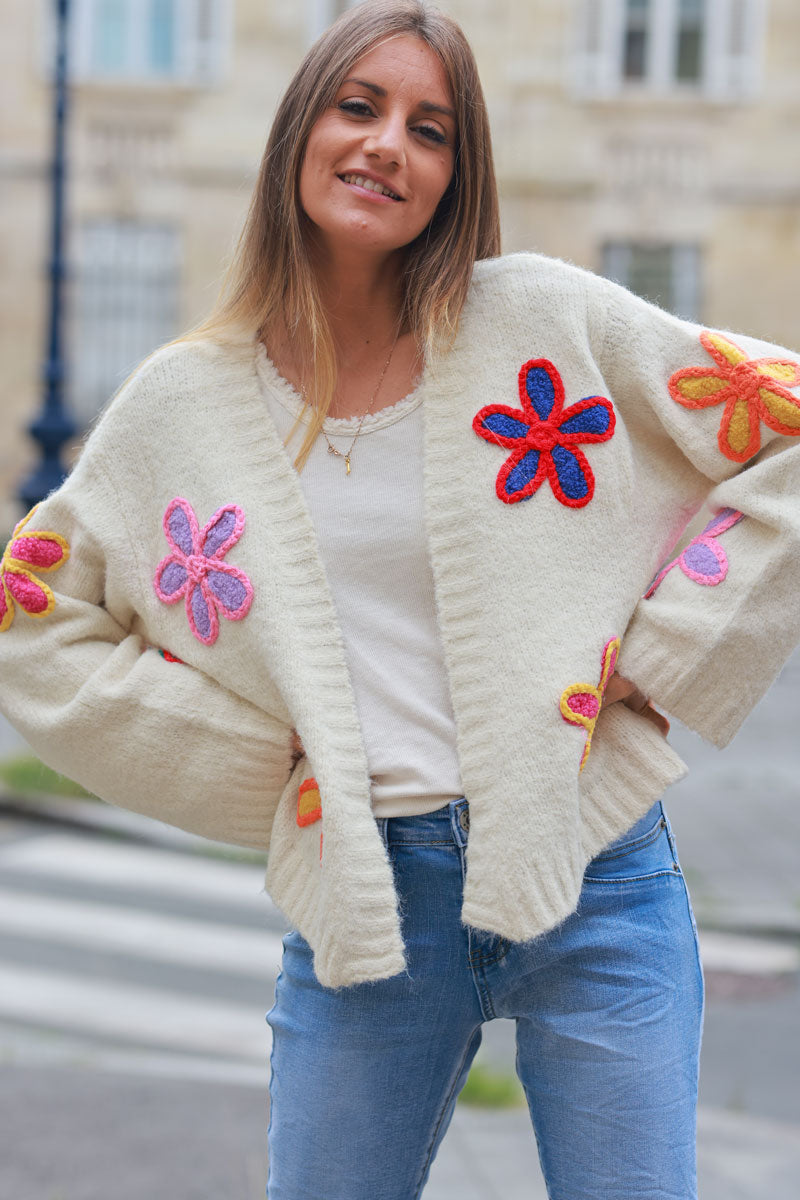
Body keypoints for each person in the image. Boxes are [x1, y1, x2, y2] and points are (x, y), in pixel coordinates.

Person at [2, 1, 799, 1196]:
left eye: (431, 130)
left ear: (453, 174)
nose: (388, 146)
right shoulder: (186, 405)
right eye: (358, 106)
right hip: (367, 910)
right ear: (297, 132)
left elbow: (782, 421)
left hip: (600, 874)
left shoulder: (539, 319)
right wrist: (260, 762)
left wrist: (679, 642)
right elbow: (31, 616)